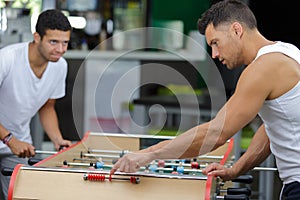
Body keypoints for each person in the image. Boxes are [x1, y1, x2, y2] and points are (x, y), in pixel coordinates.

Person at [110, 0, 300, 199]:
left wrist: (149, 154)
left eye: (215, 43)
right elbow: (274, 128)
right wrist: (236, 170)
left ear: (237, 30)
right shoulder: (287, 51)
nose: (215, 54)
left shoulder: (263, 68)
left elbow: (215, 133)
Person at [0, 9, 73, 199]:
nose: (60, 49)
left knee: (22, 195)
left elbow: (47, 106)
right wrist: (9, 139)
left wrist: (57, 139)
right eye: (53, 42)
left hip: (18, 146)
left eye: (65, 42)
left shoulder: (60, 65)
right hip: (11, 141)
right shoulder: (7, 59)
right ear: (37, 37)